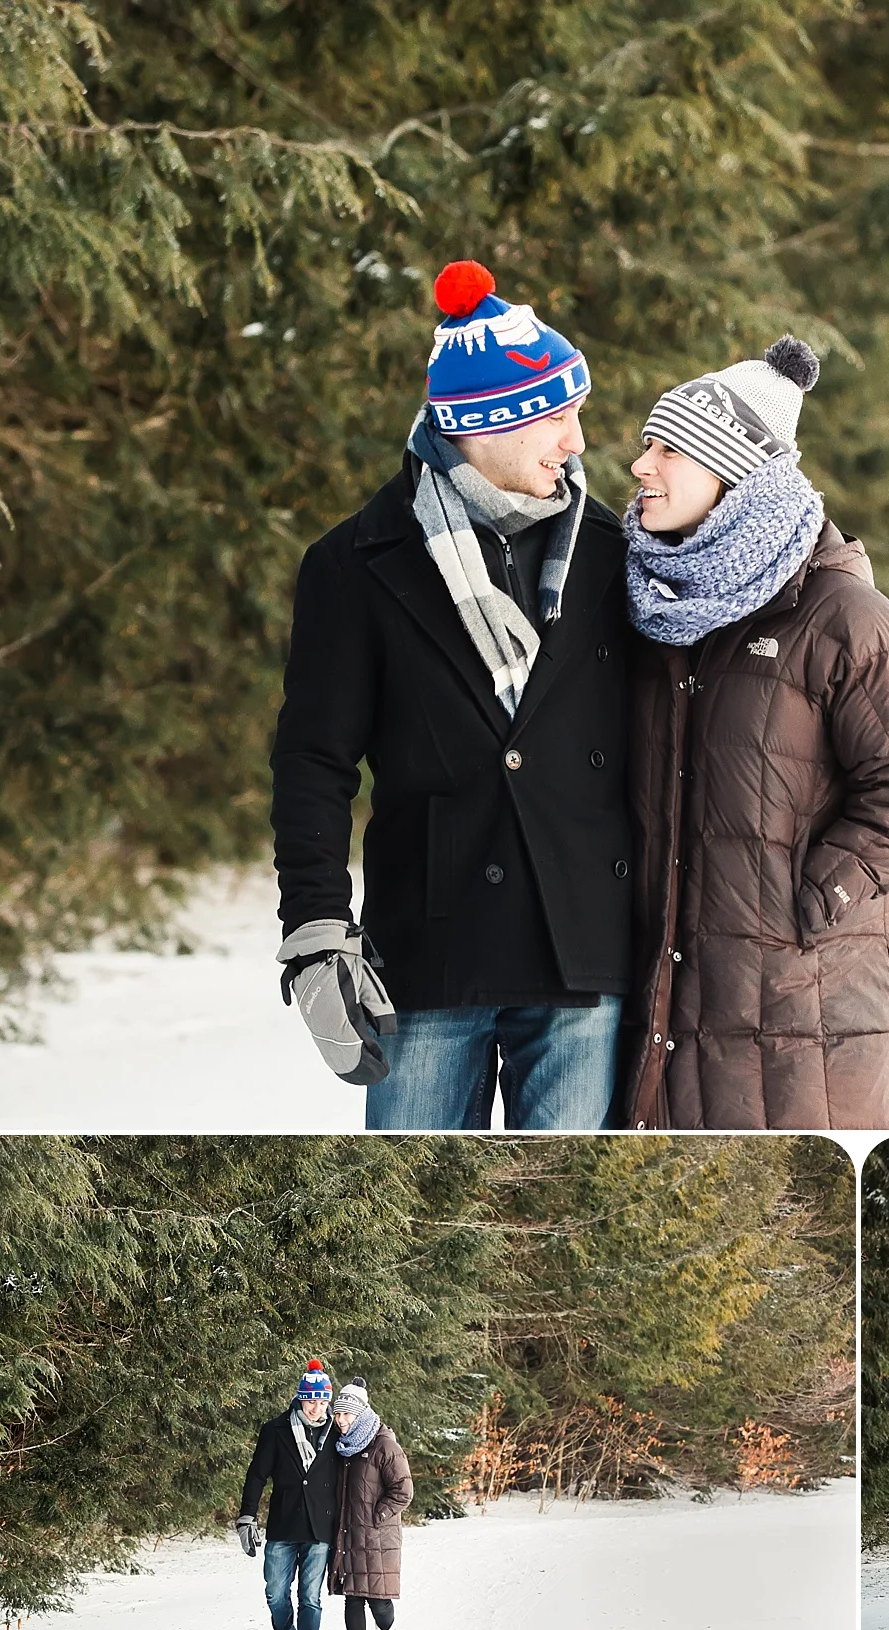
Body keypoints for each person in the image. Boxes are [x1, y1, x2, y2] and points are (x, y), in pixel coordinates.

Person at [271, 261, 634, 1131]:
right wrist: (317, 925)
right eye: (558, 415)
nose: (576, 442)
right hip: (430, 956)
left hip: (582, 953)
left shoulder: (613, 556)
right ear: (487, 424)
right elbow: (314, 760)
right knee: (415, 1220)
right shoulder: (353, 564)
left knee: (564, 1217)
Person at [621, 336, 889, 1131]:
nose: (641, 467)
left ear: (733, 476)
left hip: (806, 1016)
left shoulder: (847, 622)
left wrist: (806, 901)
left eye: (670, 450)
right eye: (646, 445)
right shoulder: (654, 613)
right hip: (669, 1005)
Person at [237, 1361, 339, 1630]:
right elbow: (256, 1476)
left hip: (319, 1527)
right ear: (299, 1398)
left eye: (323, 1402)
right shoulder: (276, 1430)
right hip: (283, 1524)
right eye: (311, 1401)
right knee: (275, 1593)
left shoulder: (337, 1433)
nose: (316, 1408)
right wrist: (246, 1517)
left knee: (310, 1597)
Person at [326, 1379, 414, 1630]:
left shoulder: (385, 1445)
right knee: (352, 1596)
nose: (341, 1421)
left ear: (361, 1413)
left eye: (347, 1415)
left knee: (378, 1599)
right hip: (348, 1536)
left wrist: (378, 1516)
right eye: (338, 1415)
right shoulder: (342, 1448)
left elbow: (403, 1490)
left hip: (376, 1537)